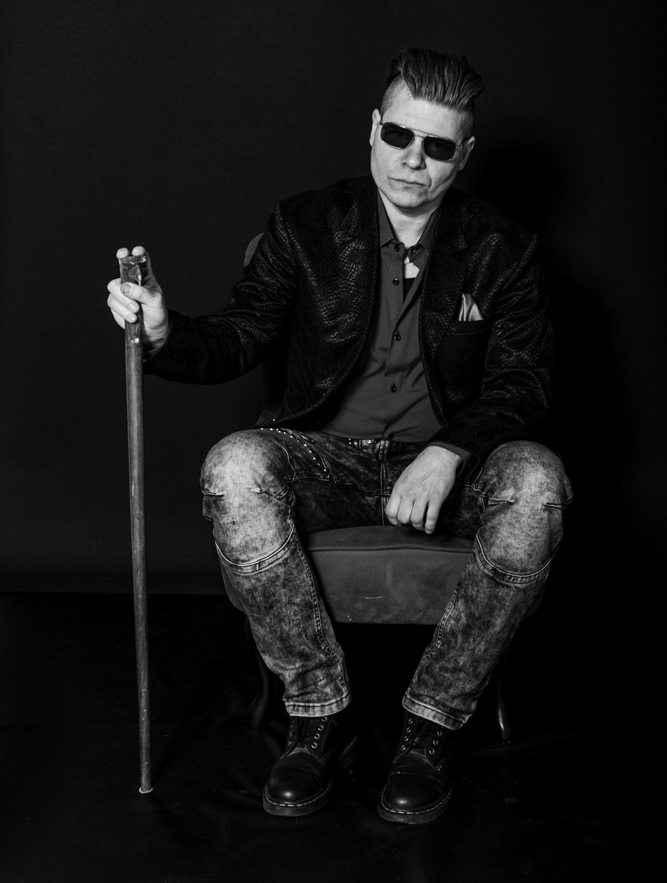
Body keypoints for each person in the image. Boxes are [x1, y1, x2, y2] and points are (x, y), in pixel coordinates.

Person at [107, 47, 572, 825]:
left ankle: (431, 724)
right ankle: (318, 712)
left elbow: (522, 385)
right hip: (325, 461)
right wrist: (161, 330)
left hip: (447, 471)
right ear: (373, 128)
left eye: (436, 146)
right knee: (234, 464)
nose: (412, 161)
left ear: (463, 155)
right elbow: (237, 336)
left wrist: (448, 452)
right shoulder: (304, 225)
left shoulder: (503, 247)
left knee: (537, 483)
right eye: (398, 136)